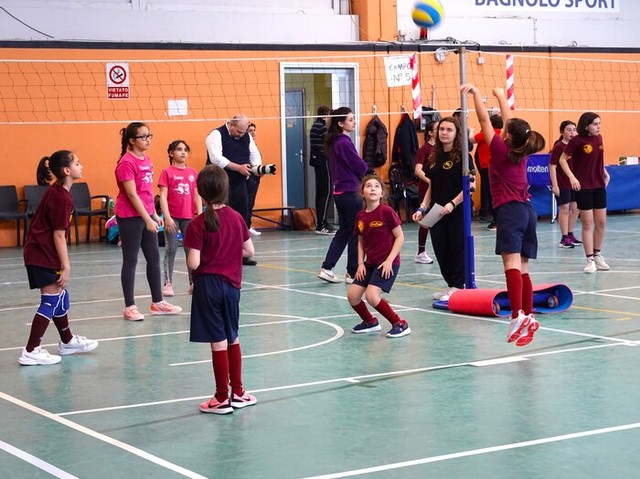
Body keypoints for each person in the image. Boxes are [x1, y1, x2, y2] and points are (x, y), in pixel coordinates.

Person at [462, 84, 546, 347]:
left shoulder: (500, 150)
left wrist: (476, 95)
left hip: (510, 211)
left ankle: (516, 315)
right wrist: (500, 96)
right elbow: (510, 123)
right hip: (528, 211)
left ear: (506, 135)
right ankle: (528, 315)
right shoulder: (522, 150)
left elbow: (484, 120)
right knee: (523, 267)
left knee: (511, 265)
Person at [185, 165, 257, 414]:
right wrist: (228, 252)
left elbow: (194, 263)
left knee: (218, 341)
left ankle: (221, 398)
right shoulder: (236, 218)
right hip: (232, 286)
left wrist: (206, 257)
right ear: (226, 189)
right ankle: (238, 392)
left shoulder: (197, 224)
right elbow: (249, 251)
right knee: (233, 336)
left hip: (208, 286)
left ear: (200, 192)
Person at [19, 150, 98, 365]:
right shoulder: (61, 197)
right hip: (42, 253)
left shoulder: (58, 192)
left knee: (61, 296)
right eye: (77, 163)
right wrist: (66, 266)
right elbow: (58, 234)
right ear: (67, 170)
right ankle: (31, 350)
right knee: (51, 299)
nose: (81, 166)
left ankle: (67, 341)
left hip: (42, 251)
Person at [115, 122, 183, 321]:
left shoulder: (147, 159)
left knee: (153, 258)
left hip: (146, 214)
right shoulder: (126, 162)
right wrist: (147, 219)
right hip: (130, 216)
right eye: (143, 136)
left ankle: (158, 302)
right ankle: (129, 306)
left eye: (149, 135)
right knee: (131, 260)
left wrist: (154, 214)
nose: (147, 139)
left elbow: (146, 192)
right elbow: (131, 194)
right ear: (132, 140)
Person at [412, 116, 468, 302]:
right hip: (436, 211)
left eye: (449, 130)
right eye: (442, 129)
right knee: (441, 250)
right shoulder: (434, 156)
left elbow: (470, 186)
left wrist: (452, 203)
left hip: (456, 211)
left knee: (456, 249)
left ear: (456, 133)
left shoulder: (463, 157)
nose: (444, 133)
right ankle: (451, 285)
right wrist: (422, 208)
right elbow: (432, 186)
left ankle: (458, 286)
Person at [348, 175, 410, 338]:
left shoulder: (387, 212)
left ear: (382, 193)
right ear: (362, 193)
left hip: (387, 263)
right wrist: (360, 263)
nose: (373, 189)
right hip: (369, 263)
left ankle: (400, 323)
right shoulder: (361, 215)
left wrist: (389, 261)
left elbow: (400, 237)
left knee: (371, 296)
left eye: (377, 186)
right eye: (368, 186)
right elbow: (360, 241)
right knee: (353, 296)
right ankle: (370, 322)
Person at [317, 107, 369, 284]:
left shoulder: (335, 142)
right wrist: (367, 171)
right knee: (355, 233)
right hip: (351, 193)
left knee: (344, 232)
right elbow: (359, 166)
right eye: (350, 119)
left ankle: (327, 268)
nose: (354, 122)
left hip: (340, 193)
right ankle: (352, 273)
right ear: (340, 123)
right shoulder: (344, 143)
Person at [205, 114, 261, 265]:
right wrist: (238, 168)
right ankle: (218, 253)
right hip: (219, 184)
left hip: (239, 182)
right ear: (231, 124)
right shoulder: (216, 135)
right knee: (220, 218)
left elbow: (255, 155)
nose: (241, 135)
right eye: (239, 131)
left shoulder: (246, 136)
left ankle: (241, 254)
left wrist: (255, 168)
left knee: (241, 217)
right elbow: (216, 159)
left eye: (244, 132)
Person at [559, 112, 610, 274]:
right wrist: (572, 177)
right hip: (584, 187)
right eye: (595, 124)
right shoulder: (576, 141)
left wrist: (605, 173)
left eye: (599, 123)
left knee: (601, 223)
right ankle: (589, 259)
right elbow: (562, 160)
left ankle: (597, 254)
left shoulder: (599, 138)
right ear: (586, 126)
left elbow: (597, 160)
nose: (598, 126)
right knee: (588, 223)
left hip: (599, 185)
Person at [158, 140, 202, 296]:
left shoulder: (192, 173)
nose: (183, 152)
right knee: (171, 248)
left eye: (185, 150)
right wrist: (167, 217)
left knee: (191, 249)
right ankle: (168, 283)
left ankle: (193, 282)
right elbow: (163, 197)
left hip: (189, 218)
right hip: (173, 218)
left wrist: (199, 215)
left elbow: (197, 196)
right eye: (179, 149)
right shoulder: (166, 172)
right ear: (171, 153)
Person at [548, 121, 581, 249]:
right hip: (562, 183)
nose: (572, 132)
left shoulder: (576, 146)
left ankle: (570, 234)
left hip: (574, 183)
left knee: (576, 208)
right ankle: (564, 238)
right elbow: (552, 166)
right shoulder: (559, 147)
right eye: (569, 130)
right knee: (564, 209)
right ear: (562, 132)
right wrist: (555, 185)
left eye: (574, 129)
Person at [471, 113, 504, 230]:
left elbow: (471, 139)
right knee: (493, 193)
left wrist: (470, 130)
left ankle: (495, 220)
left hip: (487, 167)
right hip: (496, 167)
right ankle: (495, 218)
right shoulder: (501, 134)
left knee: (489, 194)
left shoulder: (487, 133)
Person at [412, 119, 437, 265]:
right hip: (426, 190)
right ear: (430, 133)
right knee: (426, 221)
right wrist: (430, 181)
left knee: (436, 220)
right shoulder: (424, 149)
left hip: (440, 191)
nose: (442, 132)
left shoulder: (442, 149)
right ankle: (421, 252)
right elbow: (418, 170)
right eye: (439, 129)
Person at [309, 106, 335, 235]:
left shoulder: (315, 125)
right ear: (326, 115)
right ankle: (322, 224)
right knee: (326, 192)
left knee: (320, 193)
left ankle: (322, 222)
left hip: (317, 161)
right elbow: (329, 143)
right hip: (323, 161)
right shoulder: (322, 127)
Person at [245, 122, 262, 237]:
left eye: (254, 130)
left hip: (255, 178)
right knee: (246, 203)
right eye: (250, 131)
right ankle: (245, 227)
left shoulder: (254, 146)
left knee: (251, 203)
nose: (253, 132)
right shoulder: (245, 146)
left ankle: (248, 226)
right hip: (248, 178)